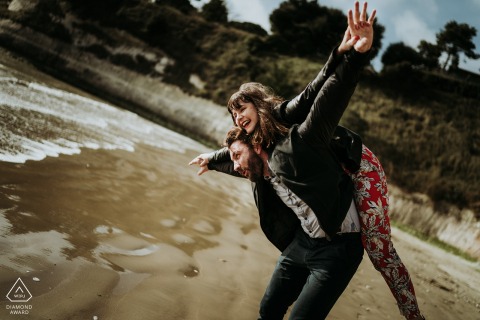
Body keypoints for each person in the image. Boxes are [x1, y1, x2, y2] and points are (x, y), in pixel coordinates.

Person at [190, 2, 424, 319]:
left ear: (258, 106)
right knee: (268, 309)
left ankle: (412, 312)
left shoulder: (296, 132)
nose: (238, 117)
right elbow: (236, 157)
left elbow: (326, 93)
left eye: (241, 110)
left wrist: (355, 55)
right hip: (304, 242)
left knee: (379, 248)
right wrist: (210, 157)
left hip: (355, 186)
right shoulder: (256, 156)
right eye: (233, 115)